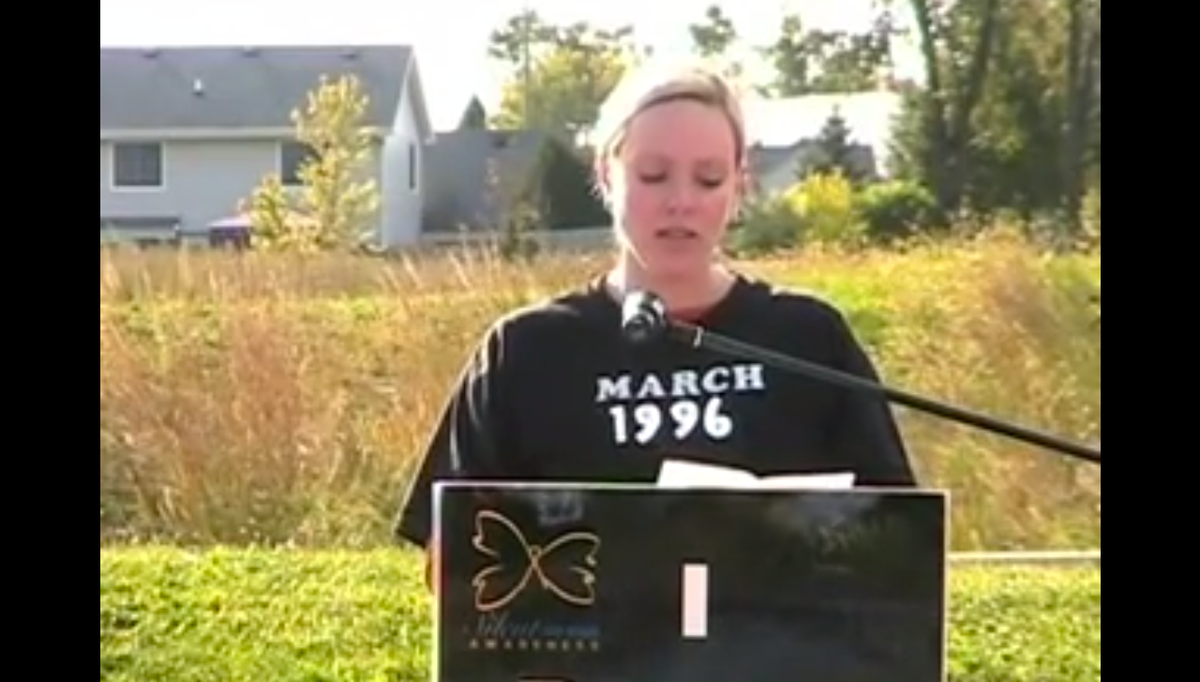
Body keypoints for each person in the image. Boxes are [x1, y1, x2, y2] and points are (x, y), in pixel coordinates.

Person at [393, 60, 917, 560]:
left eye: (708, 179)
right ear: (606, 175)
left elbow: (898, 541)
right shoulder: (524, 351)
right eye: (653, 175)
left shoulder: (810, 339)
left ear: (740, 186)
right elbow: (454, 559)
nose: (681, 201)